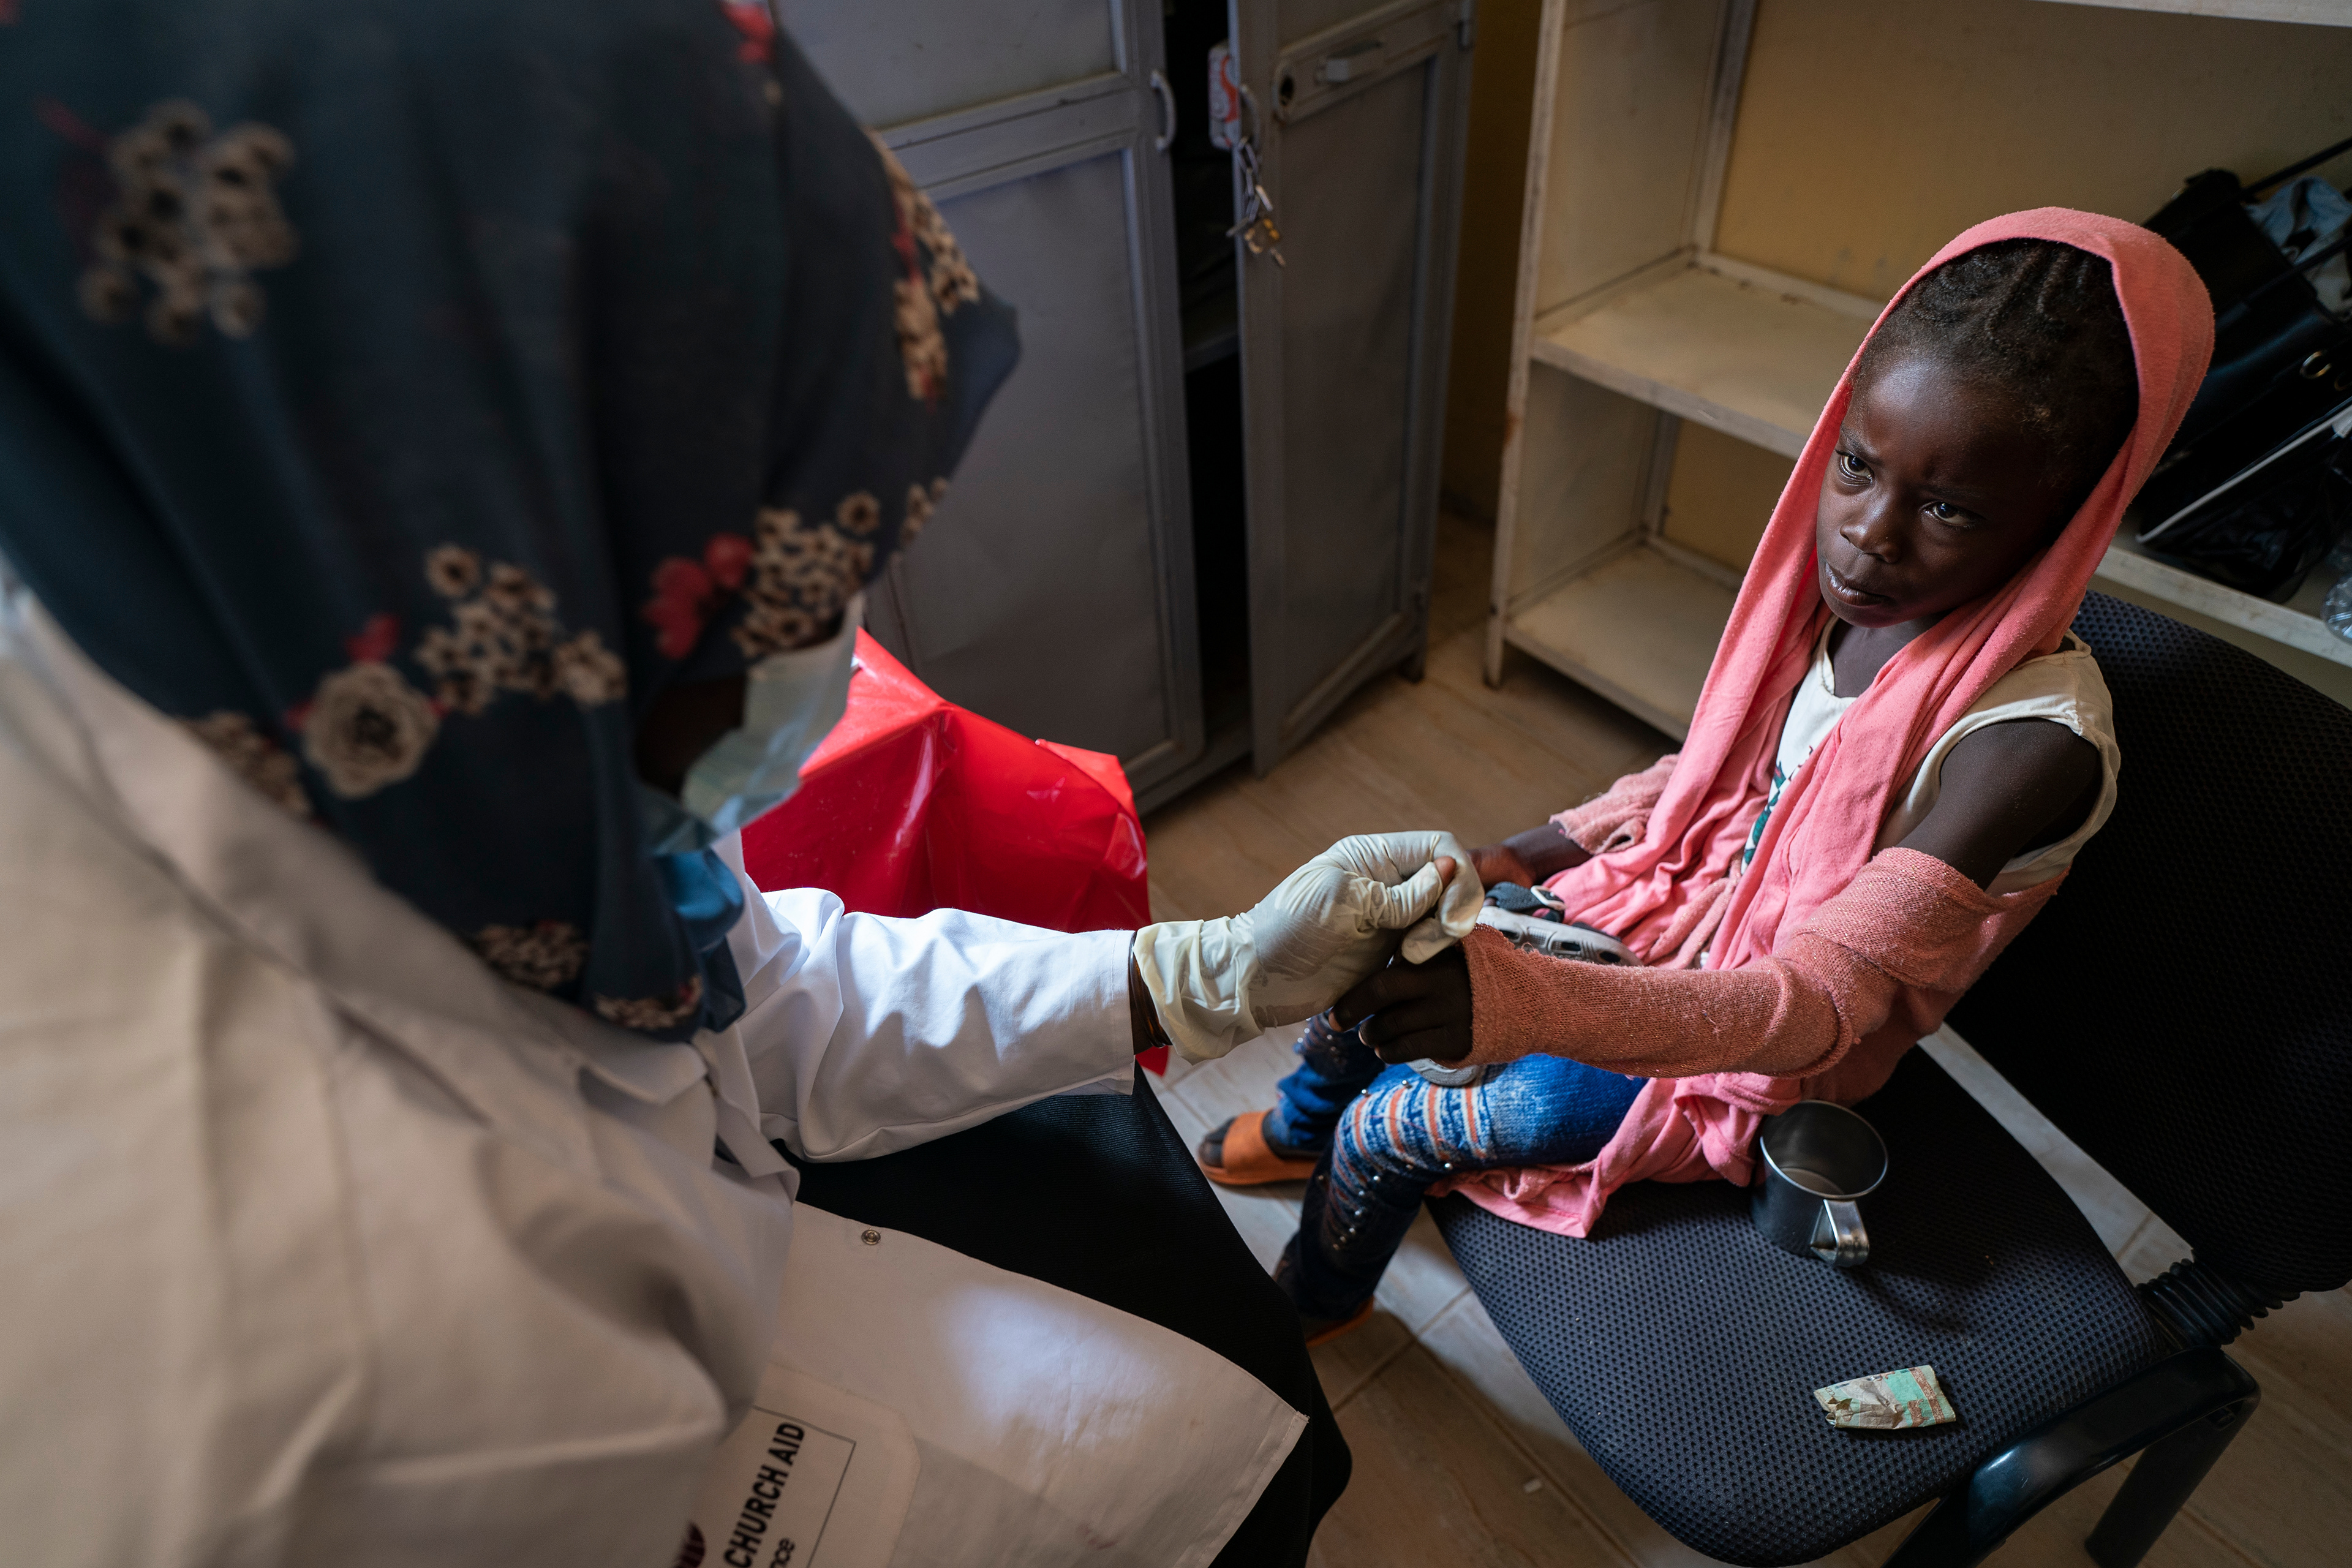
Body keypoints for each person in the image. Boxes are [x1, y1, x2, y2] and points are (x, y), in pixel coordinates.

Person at [0, 5, 1479, 1563]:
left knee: (1116, 1184)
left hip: (725, 1271)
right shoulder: (343, 1382)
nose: (836, 653)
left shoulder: (374, 731)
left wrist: (1202, 968)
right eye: (774, 597)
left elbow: (750, 1001)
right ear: (520, 567)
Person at [1195, 211, 2215, 1344]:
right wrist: (1522, 855)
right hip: (1673, 926)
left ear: (2069, 521)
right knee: (1375, 967)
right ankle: (1302, 1133)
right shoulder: (1848, 613)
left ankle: (1312, 1302)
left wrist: (1519, 1000)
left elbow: (1818, 1007)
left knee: (1400, 1125)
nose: (1869, 536)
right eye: (1858, 468)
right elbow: (1723, 783)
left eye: (1947, 510)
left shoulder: (2027, 748)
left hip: (1751, 1044)